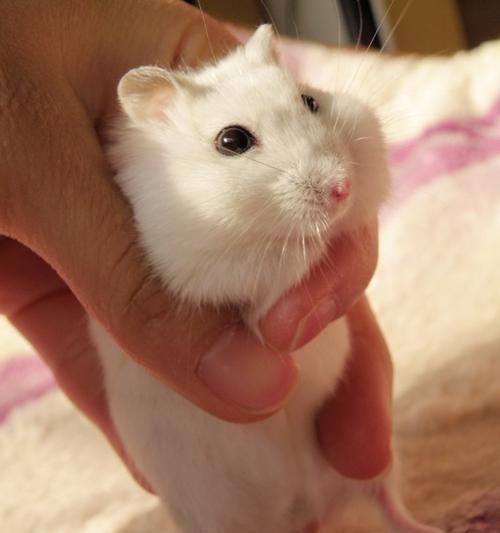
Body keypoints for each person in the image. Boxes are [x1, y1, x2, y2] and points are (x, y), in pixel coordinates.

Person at [0, 0, 392, 489]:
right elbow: (191, 280)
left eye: (308, 105)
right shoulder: (156, 190)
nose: (334, 179)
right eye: (236, 142)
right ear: (157, 111)